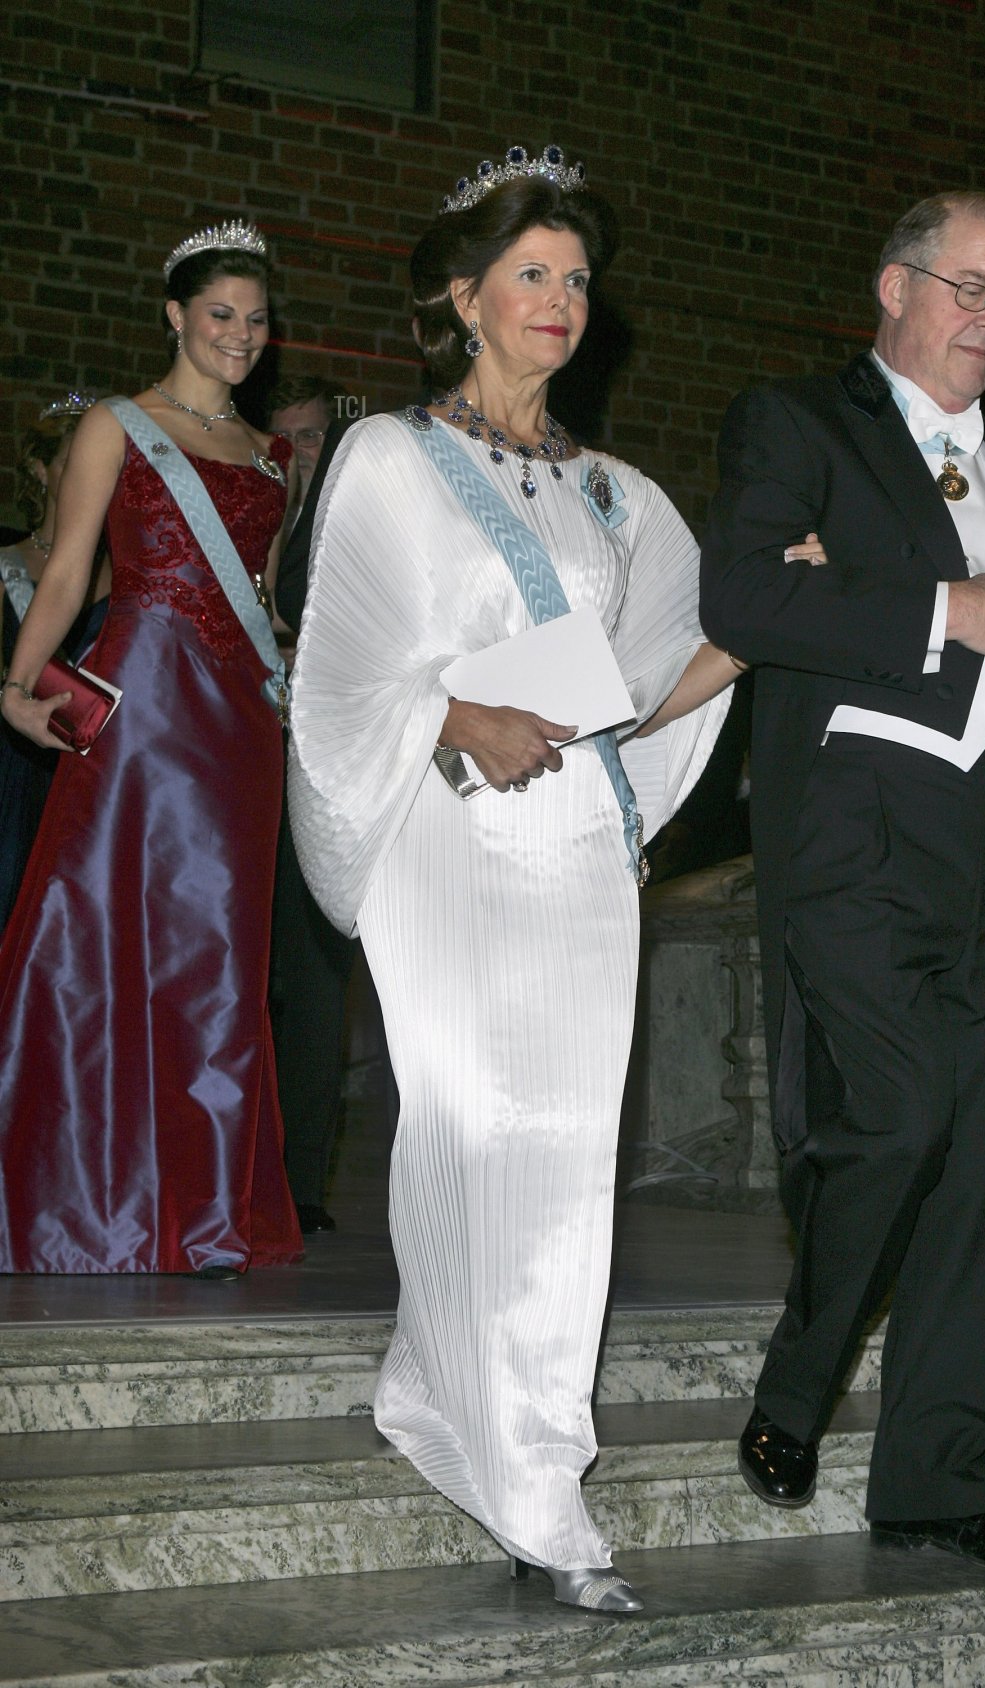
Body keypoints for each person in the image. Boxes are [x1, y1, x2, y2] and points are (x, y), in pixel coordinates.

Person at [287, 144, 741, 1612]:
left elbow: (648, 685)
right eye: (531, 275)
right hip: (441, 834)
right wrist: (453, 713)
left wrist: (766, 629)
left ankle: (479, 1414)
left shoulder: (622, 499)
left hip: (574, 854)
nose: (560, 301)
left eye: (579, 279)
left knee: (558, 1160)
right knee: (471, 1125)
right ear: (462, 296)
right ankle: (538, 1489)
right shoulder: (385, 458)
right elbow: (341, 676)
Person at [700, 191, 985, 1570]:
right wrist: (944, 609)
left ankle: (937, 1479)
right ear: (894, 285)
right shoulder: (800, 426)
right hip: (861, 834)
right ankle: (802, 1378)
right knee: (898, 1116)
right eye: (967, 288)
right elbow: (744, 602)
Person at [0, 219, 304, 1278]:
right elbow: (70, 573)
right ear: (175, 313)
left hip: (242, 722)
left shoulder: (275, 460)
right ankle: (84, 1194)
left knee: (225, 953)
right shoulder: (115, 428)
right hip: (143, 711)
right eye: (221, 313)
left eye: (257, 320)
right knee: (100, 940)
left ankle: (208, 1208)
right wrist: (13, 683)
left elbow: (265, 598)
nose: (240, 334)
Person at [268, 387, 358, 1232]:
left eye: (311, 437)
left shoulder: (346, 511)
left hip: (324, 760)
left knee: (317, 975)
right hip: (240, 754)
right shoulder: (252, 506)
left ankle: (302, 1181)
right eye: (286, 437)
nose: (297, 449)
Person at [1, 393, 111, 930]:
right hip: (18, 765)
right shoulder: (5, 565)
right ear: (41, 471)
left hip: (97, 765)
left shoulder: (129, 576)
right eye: (74, 462)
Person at [267, 376, 347, 534]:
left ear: (337, 440)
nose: (292, 450)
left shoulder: (352, 519)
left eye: (308, 435)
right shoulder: (256, 515)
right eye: (281, 437)